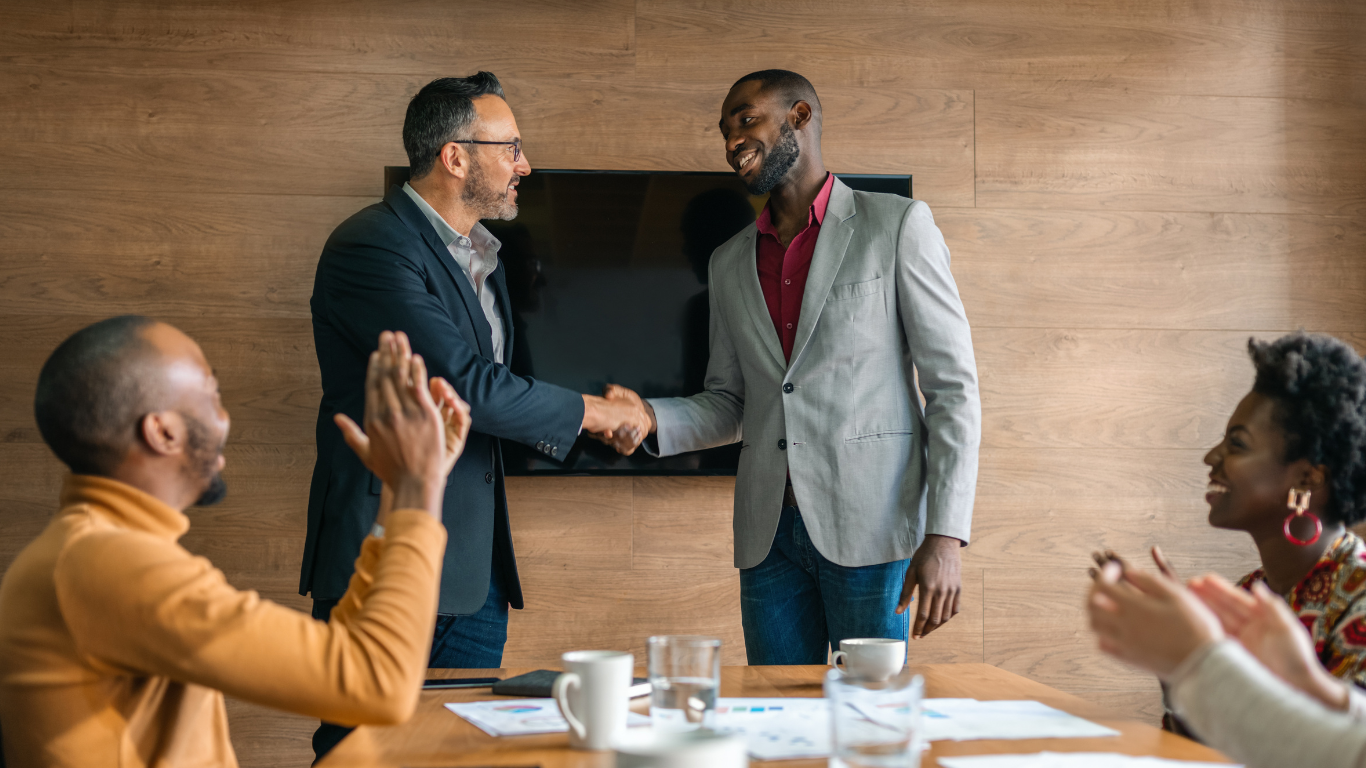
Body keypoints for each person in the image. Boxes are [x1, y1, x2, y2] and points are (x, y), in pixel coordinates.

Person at [303, 72, 651, 758]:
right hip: (383, 555)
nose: (524, 164)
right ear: (455, 157)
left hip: (473, 571)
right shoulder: (372, 245)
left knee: (462, 754)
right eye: (511, 147)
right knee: (361, 751)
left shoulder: (484, 257)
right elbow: (466, 387)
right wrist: (599, 414)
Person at [601, 69, 981, 662]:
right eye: (725, 131)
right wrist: (650, 418)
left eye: (746, 120)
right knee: (776, 728)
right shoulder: (728, 263)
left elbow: (953, 388)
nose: (732, 142)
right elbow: (731, 401)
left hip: (874, 530)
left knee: (869, 730)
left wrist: (946, 535)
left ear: (799, 117)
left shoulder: (898, 226)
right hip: (768, 539)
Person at [0, 319, 466, 767]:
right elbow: (377, 686)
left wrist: (396, 495)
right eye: (211, 393)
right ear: (163, 431)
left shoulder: (100, 549)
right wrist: (417, 489)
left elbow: (342, 660)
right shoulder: (108, 563)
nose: (224, 418)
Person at [1104, 333, 1366, 732]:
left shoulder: (1358, 601)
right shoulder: (1246, 594)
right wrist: (1174, 656)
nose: (1212, 458)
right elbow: (1201, 746)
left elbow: (1336, 749)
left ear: (1307, 478)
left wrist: (1200, 655)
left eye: (1237, 444)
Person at [1088, 559, 1366, 767]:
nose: (1211, 476)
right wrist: (1309, 683)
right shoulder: (1253, 587)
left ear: (1311, 478)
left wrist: (1197, 663)